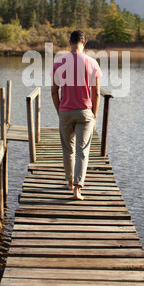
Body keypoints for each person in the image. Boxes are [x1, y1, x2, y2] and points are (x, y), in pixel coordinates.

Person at [51, 30, 102, 200]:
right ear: (84, 43)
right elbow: (96, 94)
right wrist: (94, 115)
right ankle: (77, 190)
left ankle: (69, 182)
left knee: (68, 150)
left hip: (65, 112)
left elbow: (53, 91)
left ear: (69, 42)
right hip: (85, 112)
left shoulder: (58, 63)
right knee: (82, 150)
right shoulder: (92, 63)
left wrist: (60, 112)